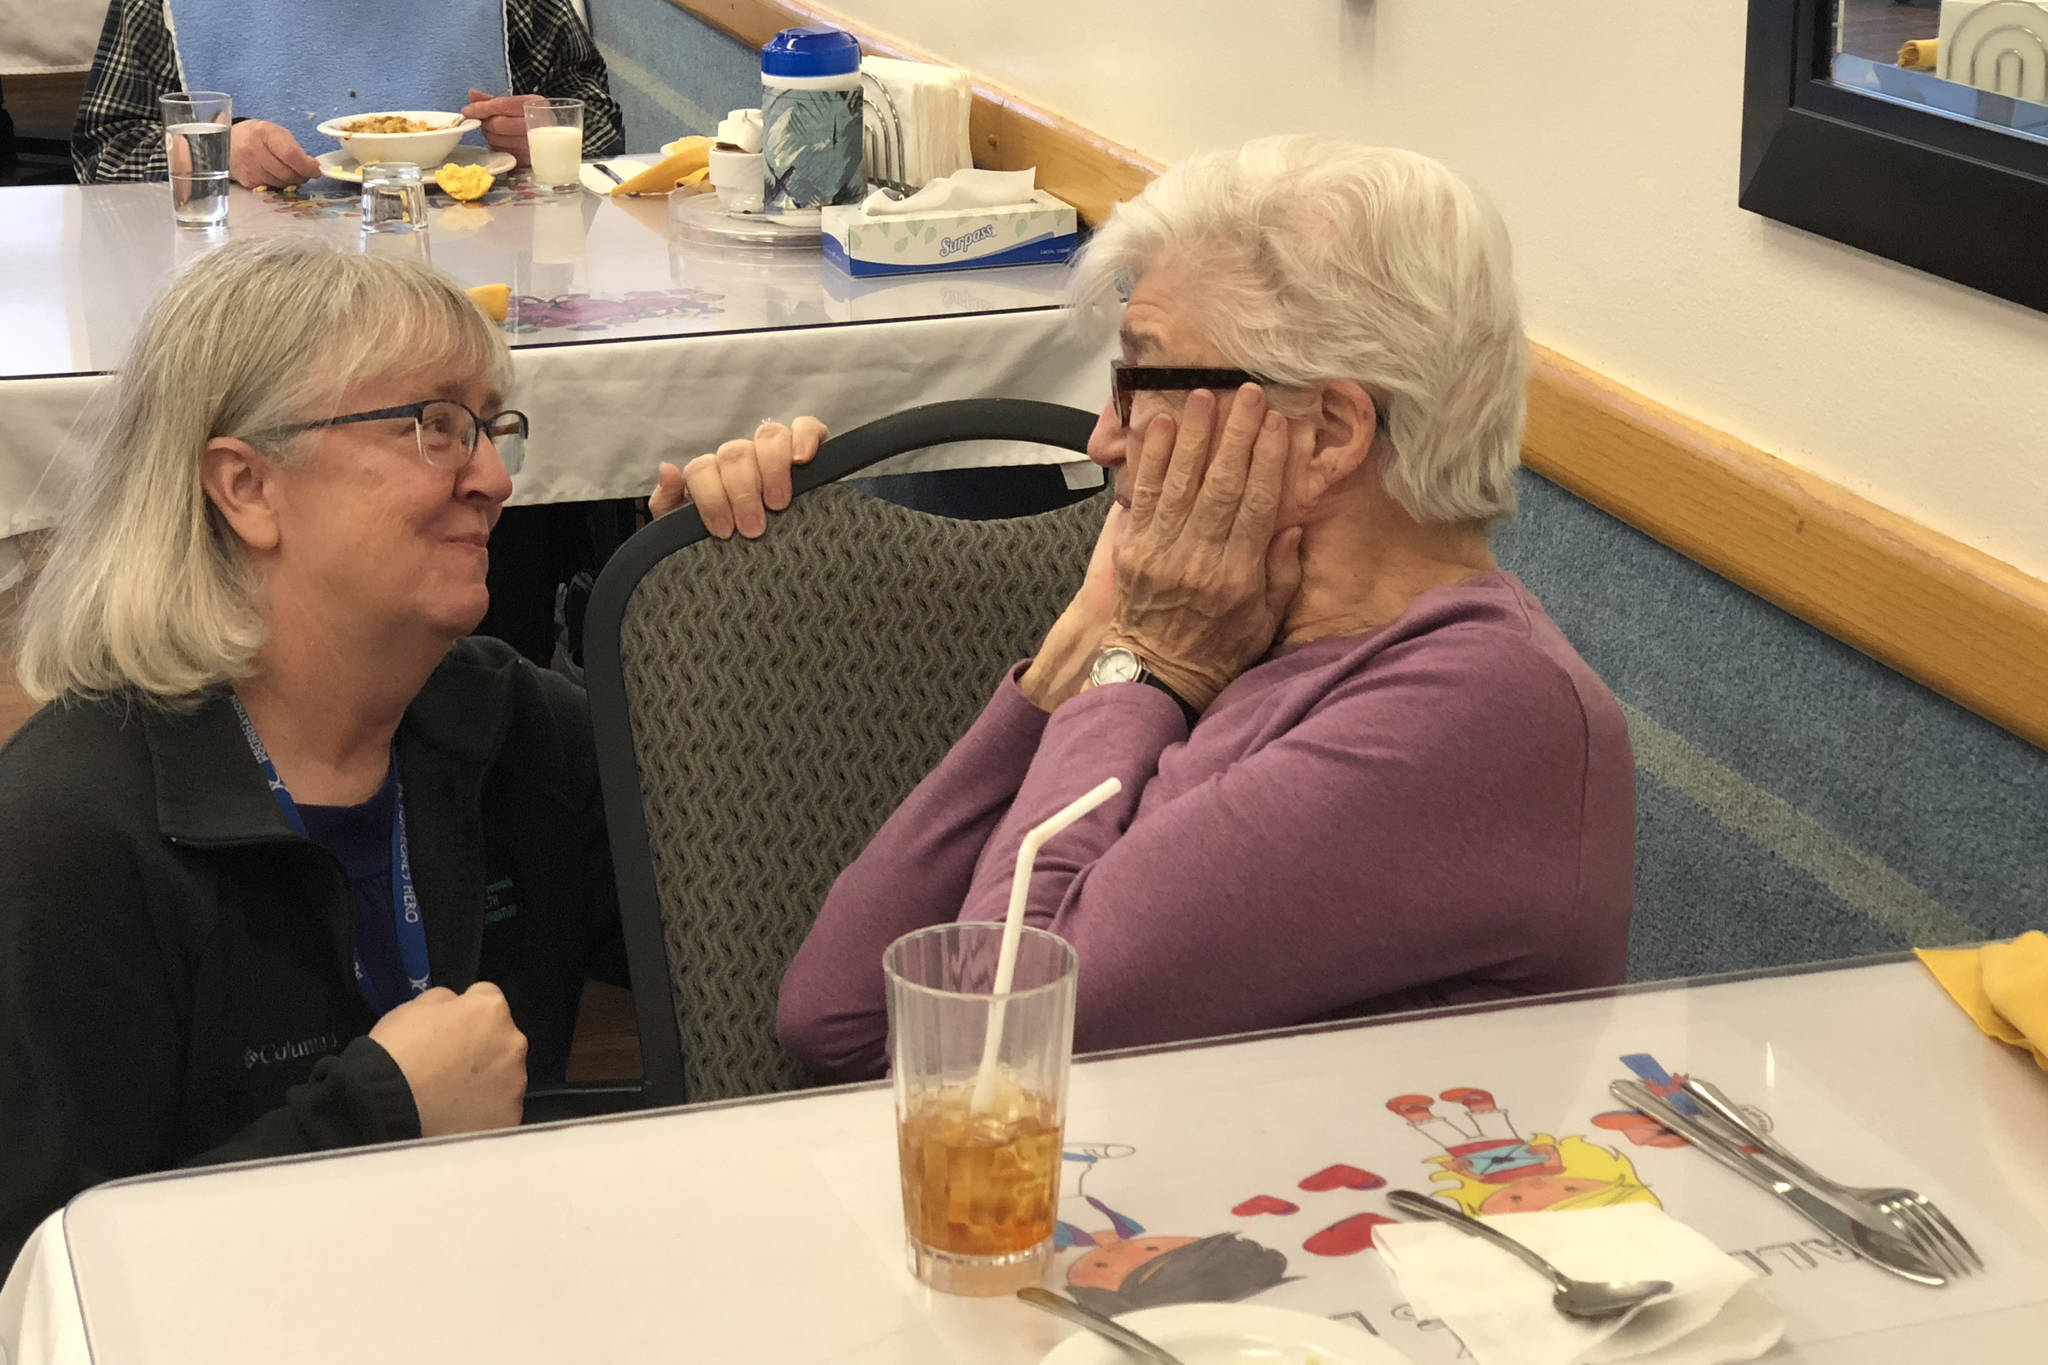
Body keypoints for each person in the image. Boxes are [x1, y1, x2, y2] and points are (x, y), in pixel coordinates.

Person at [667, 136, 1636, 1082]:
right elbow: (833, 1015)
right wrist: (1067, 666)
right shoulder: (1230, 620)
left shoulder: (1474, 711)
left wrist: (1142, 666)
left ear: (1327, 434)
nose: (1101, 439)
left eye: (1141, 381)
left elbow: (995, 1050)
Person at [0, 237, 624, 1272]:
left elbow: (766, 959)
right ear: (246, 486)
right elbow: (38, 1283)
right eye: (432, 427)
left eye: (487, 425)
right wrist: (377, 1116)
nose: (497, 477)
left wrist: (718, 605)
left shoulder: (503, 724)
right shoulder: (69, 836)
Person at [71, 0, 625, 186]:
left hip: (479, 286)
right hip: (254, 302)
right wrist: (215, 154)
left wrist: (553, 129)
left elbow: (598, 116)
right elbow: (102, 152)